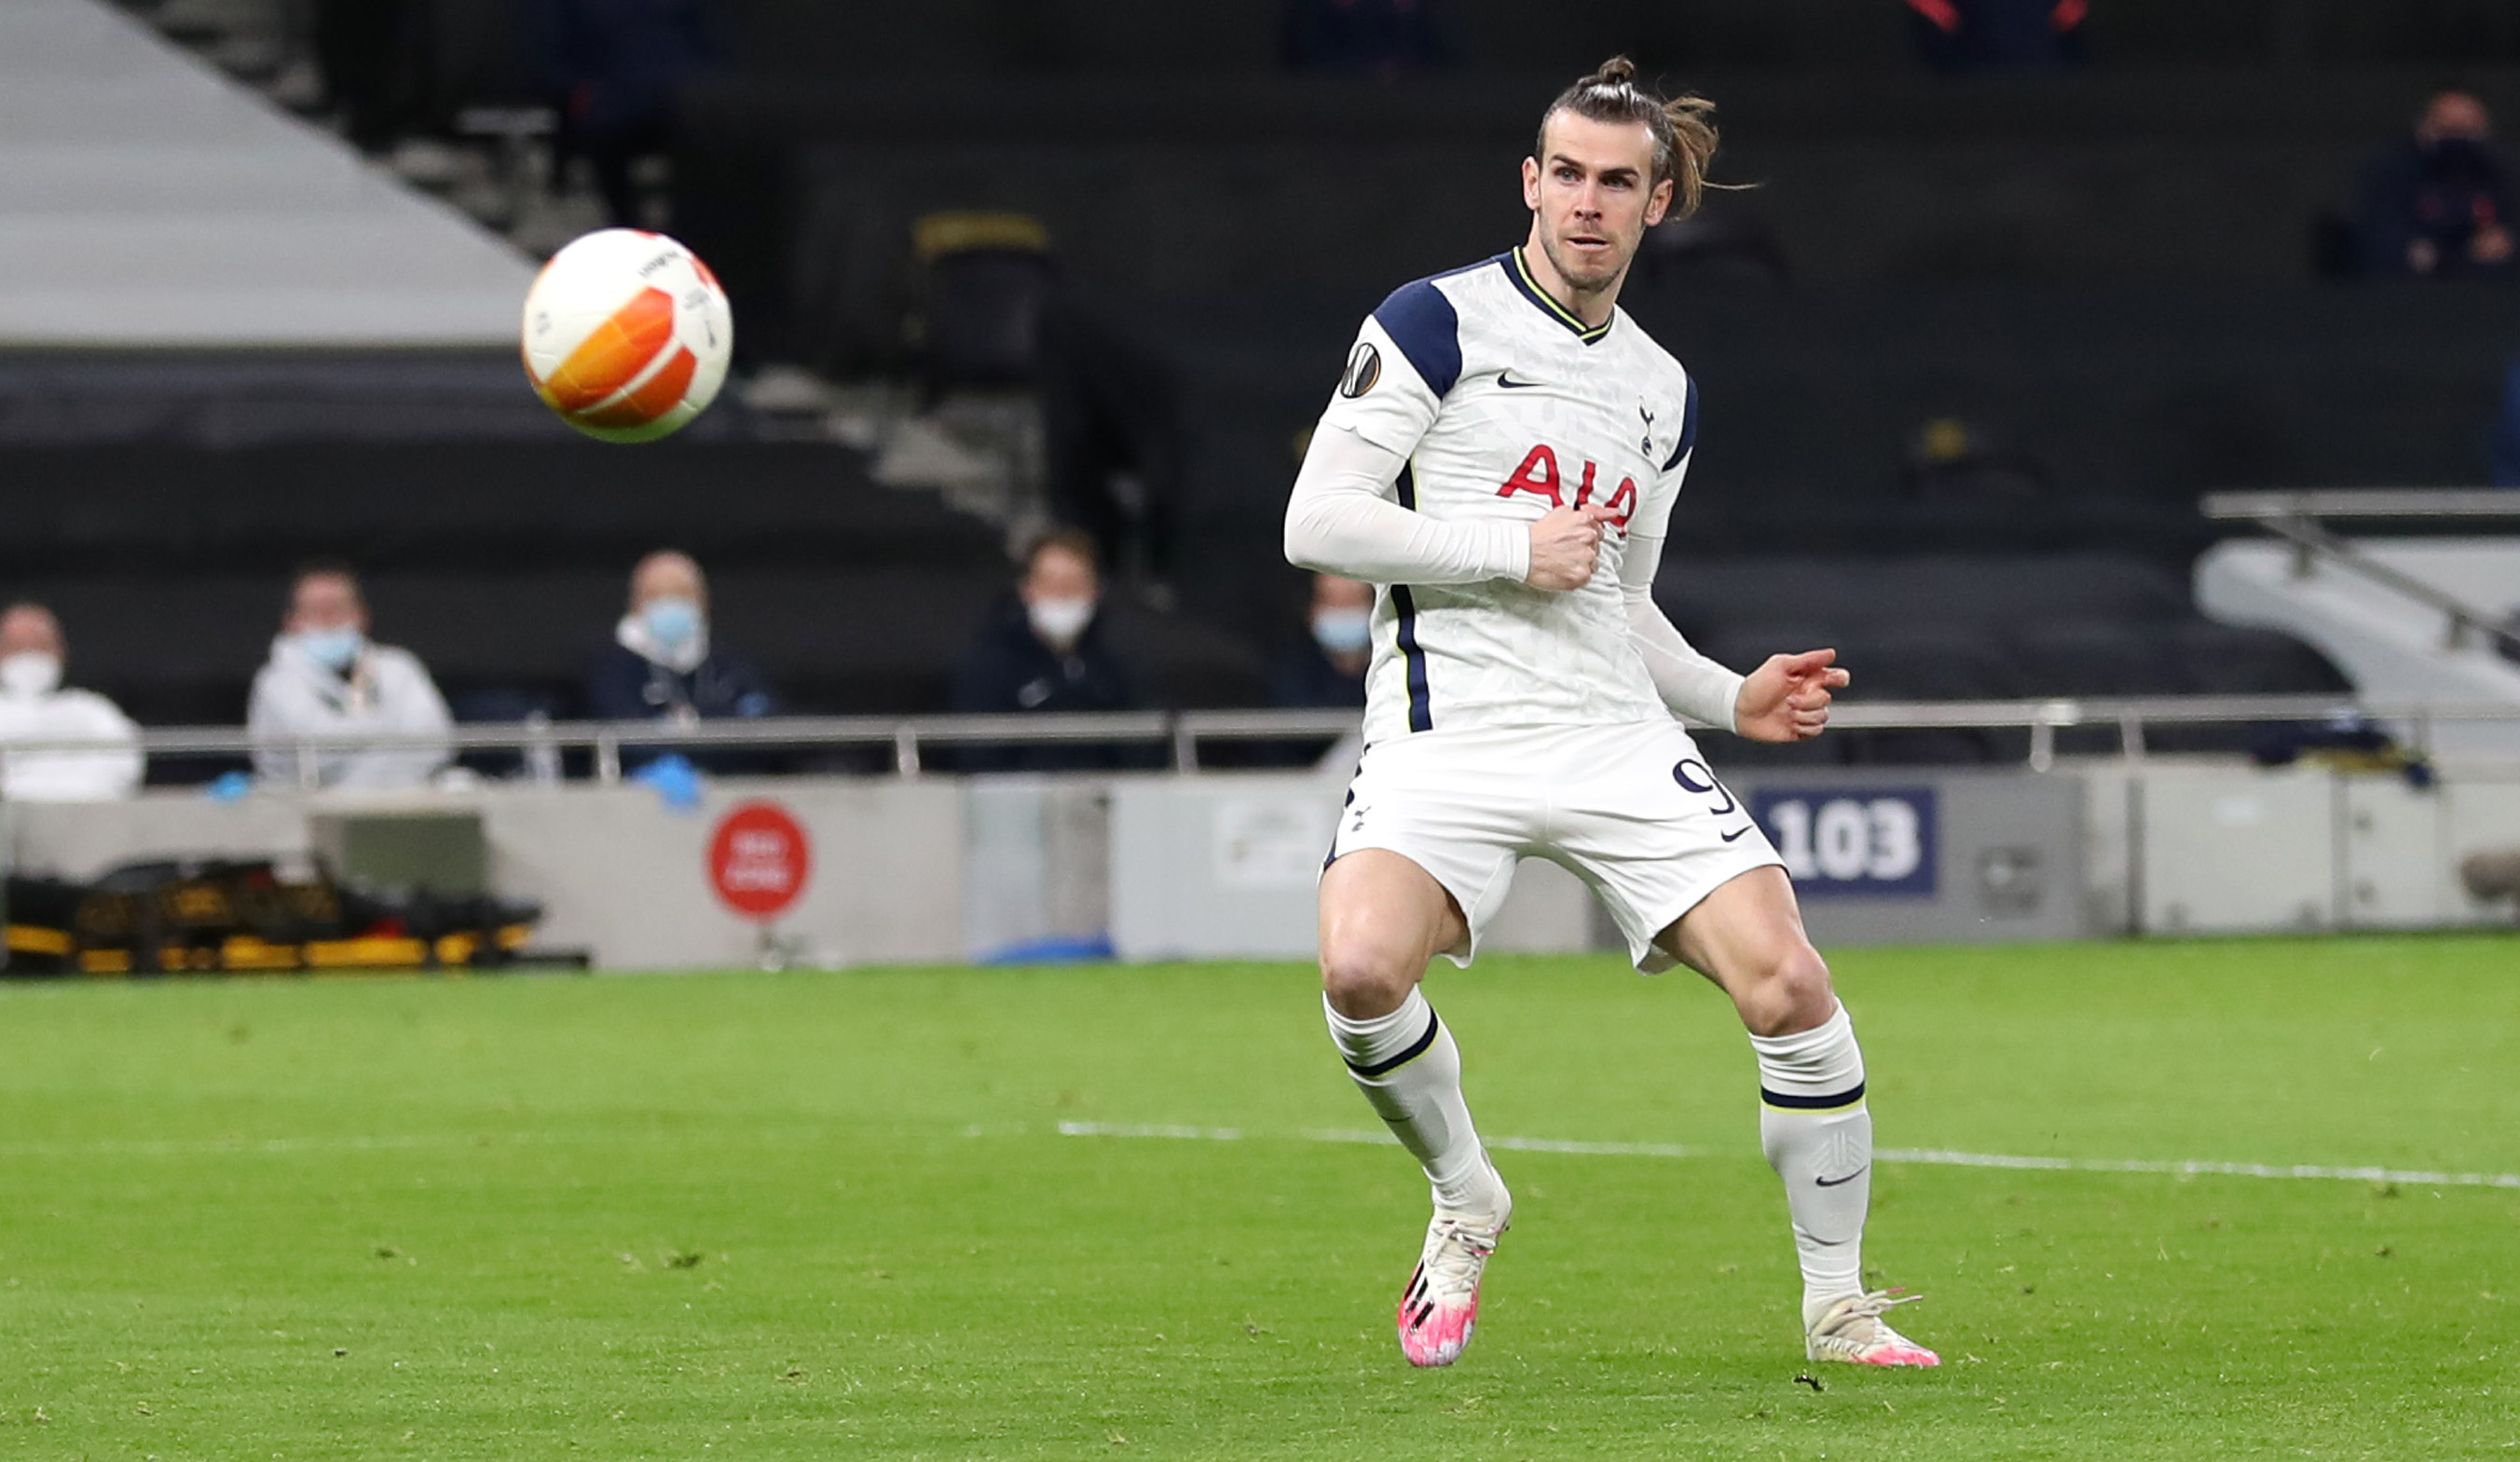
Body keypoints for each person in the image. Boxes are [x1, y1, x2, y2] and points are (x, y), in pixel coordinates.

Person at [1281, 58, 1936, 1372]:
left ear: (1659, 202)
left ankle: (1840, 1302)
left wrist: (1732, 695)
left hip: (1613, 736)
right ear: (1530, 183)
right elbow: (1318, 522)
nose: (1586, 202)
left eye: (1616, 182)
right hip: (1445, 730)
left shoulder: (1663, 390)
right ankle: (1466, 1199)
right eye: (1565, 173)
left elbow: (1620, 603)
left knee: (1790, 983)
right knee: (1359, 973)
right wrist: (1512, 548)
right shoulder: (1434, 321)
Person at [950, 529, 1141, 772]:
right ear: (1027, 589)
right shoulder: (989, 666)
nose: (1061, 595)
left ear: (1095, 590)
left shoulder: (1117, 665)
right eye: (1050, 584)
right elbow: (980, 757)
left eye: (1073, 585)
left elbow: (1140, 751)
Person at [249, 564, 453, 790]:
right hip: (302, 811)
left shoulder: (399, 667)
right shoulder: (275, 682)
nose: (327, 620)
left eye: (337, 608)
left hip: (405, 805)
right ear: (290, 621)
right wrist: (389, 729)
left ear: (362, 616)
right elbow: (320, 753)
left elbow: (435, 742)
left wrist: (360, 740)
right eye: (313, 610)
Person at [587, 550, 777, 734]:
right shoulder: (609, 668)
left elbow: (762, 722)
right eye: (656, 594)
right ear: (634, 602)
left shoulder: (728, 663)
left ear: (703, 601)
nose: (670, 602)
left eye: (681, 592)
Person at [2356, 91, 2516, 280]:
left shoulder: (2503, 177)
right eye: (2448, 128)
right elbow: (2381, 245)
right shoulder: (2392, 177)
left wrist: (2503, 246)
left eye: (2468, 130)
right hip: (2410, 297)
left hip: (2489, 297)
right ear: (2423, 129)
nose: (2459, 140)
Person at [0, 603, 144, 801]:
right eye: (17, 646)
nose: (29, 655)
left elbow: (124, 767)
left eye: (40, 645)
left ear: (60, 651)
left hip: (84, 818)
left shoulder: (93, 710)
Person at [1271, 573, 1374, 709]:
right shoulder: (1292, 678)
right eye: (1333, 603)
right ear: (1310, 610)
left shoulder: (1394, 672)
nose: (1343, 614)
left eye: (1354, 601)